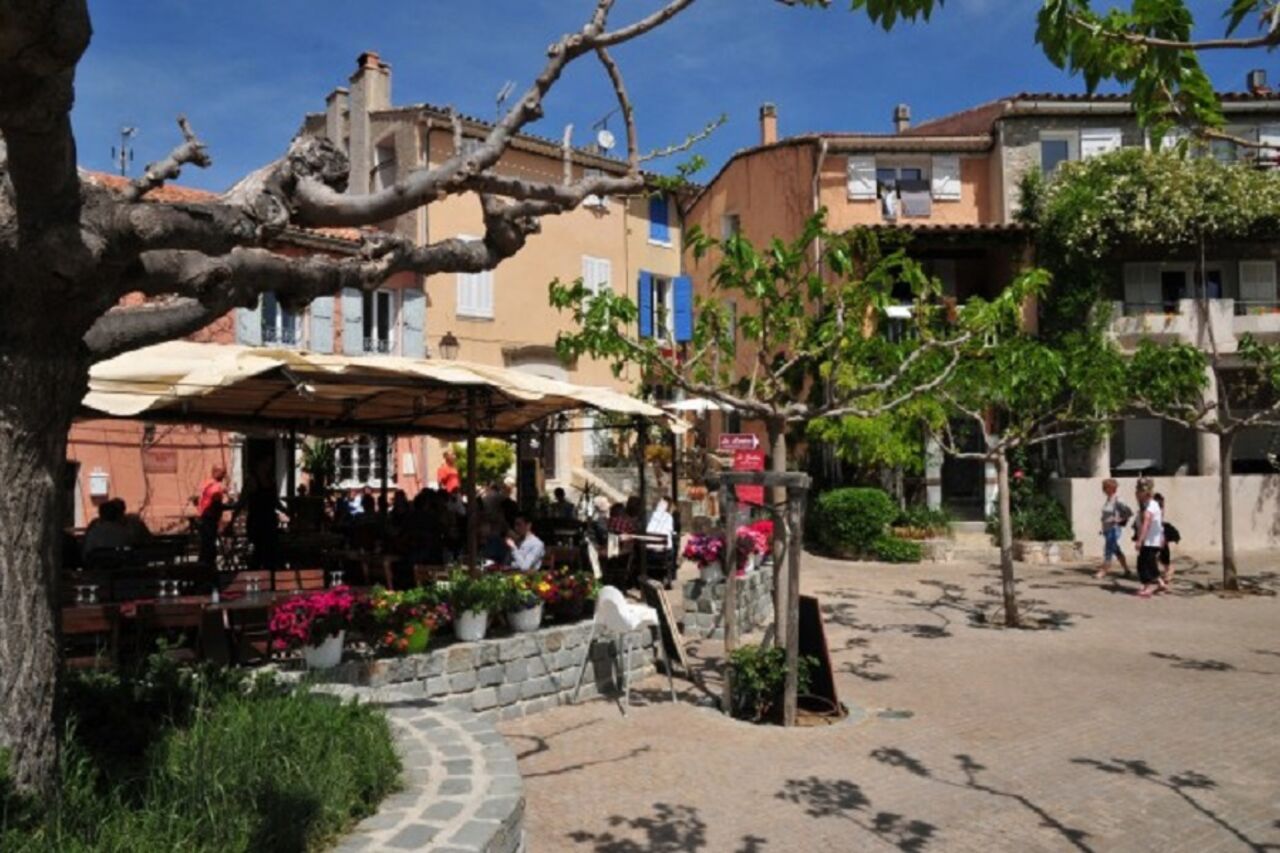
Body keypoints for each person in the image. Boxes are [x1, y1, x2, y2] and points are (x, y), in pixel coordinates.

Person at [244, 457, 285, 571]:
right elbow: (243, 500)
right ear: (259, 464)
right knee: (258, 551)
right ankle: (257, 577)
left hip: (269, 521)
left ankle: (270, 578)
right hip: (256, 521)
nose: (269, 466)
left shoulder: (272, 481)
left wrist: (287, 511)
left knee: (270, 552)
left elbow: (275, 502)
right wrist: (232, 520)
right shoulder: (252, 480)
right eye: (267, 463)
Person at [1095, 479, 1133, 580]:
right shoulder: (1109, 499)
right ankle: (1127, 570)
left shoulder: (1118, 500)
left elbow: (1128, 513)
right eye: (1104, 487)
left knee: (1108, 549)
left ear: (1112, 488)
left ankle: (1104, 570)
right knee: (1116, 550)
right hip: (1107, 529)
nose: (1103, 489)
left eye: (1105, 487)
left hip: (1114, 529)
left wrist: (1118, 519)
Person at [1134, 478, 1165, 598]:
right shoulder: (1152, 504)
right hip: (1153, 540)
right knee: (1151, 563)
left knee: (1143, 564)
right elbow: (1159, 523)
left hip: (1149, 541)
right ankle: (1160, 583)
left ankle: (1147, 587)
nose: (1137, 493)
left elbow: (1146, 524)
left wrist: (1140, 540)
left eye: (1139, 491)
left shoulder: (1150, 506)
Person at [195, 464, 229, 568]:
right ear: (217, 473)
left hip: (204, 517)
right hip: (210, 519)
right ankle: (207, 570)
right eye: (223, 473)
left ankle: (203, 567)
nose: (224, 475)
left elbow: (198, 499)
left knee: (205, 546)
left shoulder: (206, 483)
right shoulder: (216, 487)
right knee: (209, 547)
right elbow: (217, 502)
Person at [644, 498, 676, 589]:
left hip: (649, 552)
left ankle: (651, 575)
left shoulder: (650, 515)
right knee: (673, 548)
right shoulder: (669, 517)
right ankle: (669, 576)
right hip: (664, 552)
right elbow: (671, 531)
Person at [1154, 493, 1180, 587]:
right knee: (1159, 556)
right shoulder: (1157, 510)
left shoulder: (1158, 511)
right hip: (1158, 534)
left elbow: (1159, 523)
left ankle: (1168, 572)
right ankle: (1165, 573)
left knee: (1162, 556)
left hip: (1160, 534)